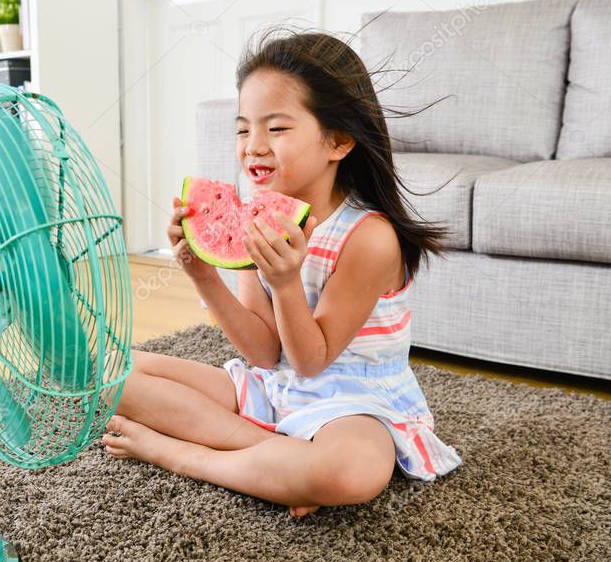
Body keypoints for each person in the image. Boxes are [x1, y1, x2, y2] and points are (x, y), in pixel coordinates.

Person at [101, 26, 463, 518]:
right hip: (279, 387)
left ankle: (184, 454)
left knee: (349, 471)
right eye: (243, 128)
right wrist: (201, 272)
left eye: (276, 128)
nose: (253, 145)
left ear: (337, 141)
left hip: (354, 402)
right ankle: (273, 458)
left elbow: (313, 360)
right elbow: (264, 353)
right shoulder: (260, 214)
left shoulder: (369, 239)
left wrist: (287, 283)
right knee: (114, 374)